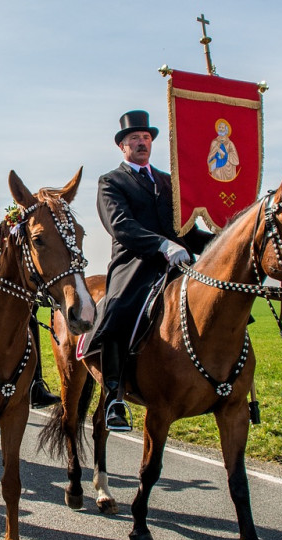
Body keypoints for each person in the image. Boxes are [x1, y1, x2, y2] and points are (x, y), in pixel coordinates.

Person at [95, 110, 214, 431]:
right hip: (135, 262)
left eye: (145, 138)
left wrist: (221, 241)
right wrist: (162, 245)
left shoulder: (169, 182)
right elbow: (121, 226)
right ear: (122, 146)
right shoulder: (111, 181)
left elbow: (187, 231)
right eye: (134, 138)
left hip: (179, 263)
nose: (141, 143)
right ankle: (114, 396)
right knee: (117, 311)